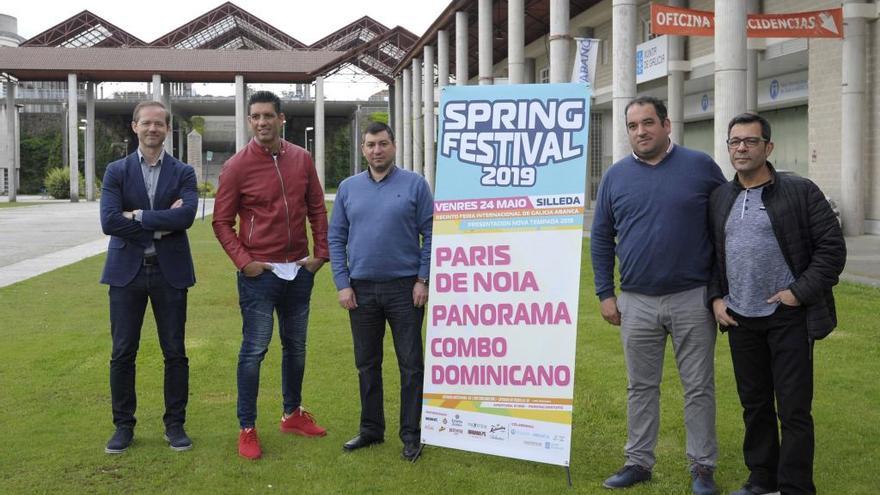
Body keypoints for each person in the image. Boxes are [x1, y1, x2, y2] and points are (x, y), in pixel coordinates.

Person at [591, 96, 726, 494]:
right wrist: (605, 292)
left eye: (648, 123)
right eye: (632, 126)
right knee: (640, 386)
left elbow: (723, 226)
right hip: (636, 301)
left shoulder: (700, 167)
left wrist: (720, 290)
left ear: (667, 125)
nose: (640, 132)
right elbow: (601, 237)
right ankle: (638, 462)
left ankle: (702, 466)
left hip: (692, 297)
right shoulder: (616, 176)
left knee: (699, 385)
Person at [709, 113, 845, 495]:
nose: (741, 148)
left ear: (768, 147)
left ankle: (795, 486)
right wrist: (716, 297)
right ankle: (762, 478)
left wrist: (796, 294)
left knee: (794, 409)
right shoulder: (722, 197)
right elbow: (713, 255)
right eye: (735, 142)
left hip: (788, 317)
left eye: (750, 141)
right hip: (740, 319)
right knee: (754, 406)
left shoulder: (800, 192)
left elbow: (831, 251)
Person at [212, 90, 329, 460]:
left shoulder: (302, 159)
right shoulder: (236, 166)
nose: (261, 122)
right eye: (255, 117)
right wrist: (244, 262)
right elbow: (221, 221)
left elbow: (317, 208)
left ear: (281, 119)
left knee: (296, 348)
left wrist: (320, 254)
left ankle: (292, 414)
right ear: (249, 121)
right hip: (259, 275)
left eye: (268, 116)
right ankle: (247, 427)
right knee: (254, 350)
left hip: (297, 270)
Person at [328, 122, 432, 462]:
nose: (377, 150)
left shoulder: (415, 185)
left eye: (383, 143)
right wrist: (343, 283)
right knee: (367, 363)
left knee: (411, 364)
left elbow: (431, 234)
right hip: (361, 290)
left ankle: (411, 434)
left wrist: (423, 278)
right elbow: (336, 237)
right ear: (363, 149)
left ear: (394, 146)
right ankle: (372, 429)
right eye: (371, 144)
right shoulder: (348, 188)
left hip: (406, 288)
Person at [99, 100, 198, 454]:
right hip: (127, 273)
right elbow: (109, 221)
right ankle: (123, 426)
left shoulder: (183, 172)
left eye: (159, 124)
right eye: (147, 123)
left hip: (170, 273)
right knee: (123, 352)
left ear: (167, 129)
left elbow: (186, 217)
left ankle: (175, 424)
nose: (153, 129)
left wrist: (138, 216)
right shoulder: (116, 171)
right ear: (135, 127)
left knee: (175, 352)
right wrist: (159, 224)